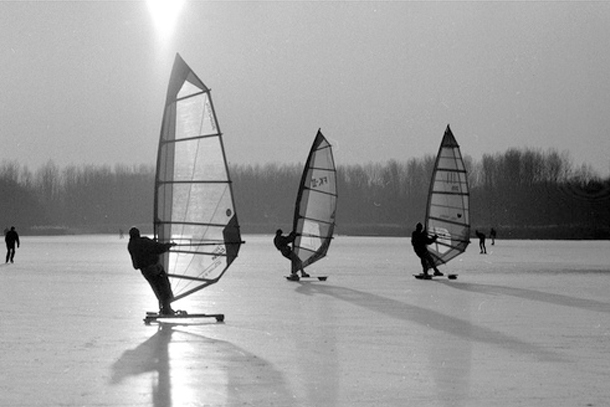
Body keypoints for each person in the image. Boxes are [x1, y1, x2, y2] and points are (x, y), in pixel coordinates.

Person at [127, 227, 176, 315]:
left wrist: (152, 242)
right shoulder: (143, 241)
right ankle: (167, 308)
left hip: (145, 271)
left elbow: (149, 247)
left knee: (157, 288)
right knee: (164, 285)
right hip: (153, 268)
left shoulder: (131, 245)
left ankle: (165, 307)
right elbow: (158, 248)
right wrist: (168, 246)